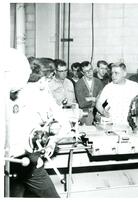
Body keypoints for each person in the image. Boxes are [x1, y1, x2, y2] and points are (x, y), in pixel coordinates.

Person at [5, 51, 71, 198]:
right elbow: (63, 123)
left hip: (17, 159)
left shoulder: (18, 93)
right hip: (28, 160)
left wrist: (51, 141)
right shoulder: (36, 95)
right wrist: (52, 140)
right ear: (44, 79)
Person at [96, 62, 138, 127]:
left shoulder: (134, 86)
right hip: (113, 125)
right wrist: (103, 112)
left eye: (116, 73)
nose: (113, 76)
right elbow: (98, 103)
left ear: (124, 73)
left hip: (130, 126)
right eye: (112, 73)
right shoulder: (108, 87)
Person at [75, 61, 103, 125]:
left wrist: (89, 99)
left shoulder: (98, 82)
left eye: (90, 69)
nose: (89, 72)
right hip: (85, 114)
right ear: (82, 72)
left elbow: (102, 100)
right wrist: (94, 99)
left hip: (98, 112)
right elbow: (81, 103)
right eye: (86, 71)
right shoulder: (79, 84)